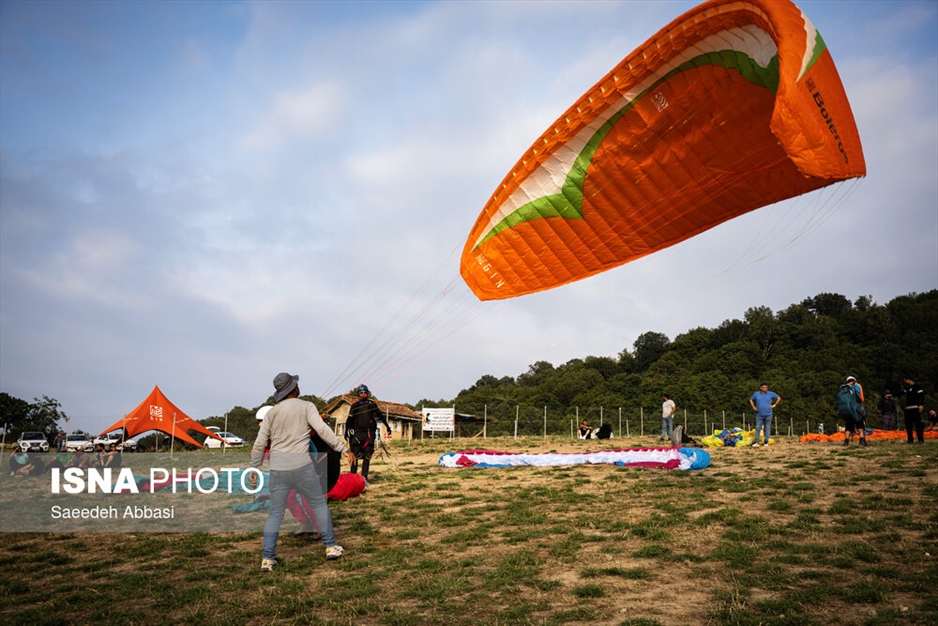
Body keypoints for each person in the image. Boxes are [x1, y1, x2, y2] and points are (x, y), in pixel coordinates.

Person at [247, 372, 356, 571]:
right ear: (294, 389)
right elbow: (323, 431)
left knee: (275, 514)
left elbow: (260, 443)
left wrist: (253, 469)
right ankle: (331, 547)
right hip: (302, 467)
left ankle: (267, 558)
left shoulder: (271, 414)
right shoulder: (307, 407)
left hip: (278, 468)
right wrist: (343, 449)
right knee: (319, 505)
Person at [344, 384, 391, 482]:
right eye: (361, 392)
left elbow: (380, 416)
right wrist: (346, 431)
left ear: (368, 393)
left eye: (365, 392)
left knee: (367, 456)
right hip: (357, 434)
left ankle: (364, 478)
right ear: (358, 394)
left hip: (369, 434)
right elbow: (349, 419)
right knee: (354, 455)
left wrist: (387, 426)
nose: (363, 394)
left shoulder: (371, 404)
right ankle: (353, 477)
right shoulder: (355, 405)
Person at [838, 376, 867, 447]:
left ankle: (846, 442)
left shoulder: (844, 388)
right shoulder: (857, 385)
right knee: (860, 423)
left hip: (848, 410)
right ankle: (862, 441)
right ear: (854, 380)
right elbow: (862, 398)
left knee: (848, 425)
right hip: (856, 407)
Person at [902, 376, 925, 444]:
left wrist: (921, 405)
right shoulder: (907, 388)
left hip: (915, 407)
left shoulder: (917, 387)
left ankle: (920, 439)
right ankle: (910, 439)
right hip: (908, 408)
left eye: (905, 380)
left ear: (909, 380)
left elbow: (922, 396)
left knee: (918, 424)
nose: (905, 382)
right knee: (908, 425)